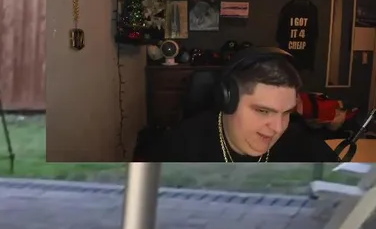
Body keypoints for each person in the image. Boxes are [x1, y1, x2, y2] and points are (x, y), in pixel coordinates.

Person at [143, 47, 337, 163]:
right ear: (227, 100)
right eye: (263, 111)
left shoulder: (304, 147)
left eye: (286, 113)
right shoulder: (178, 149)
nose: (278, 128)